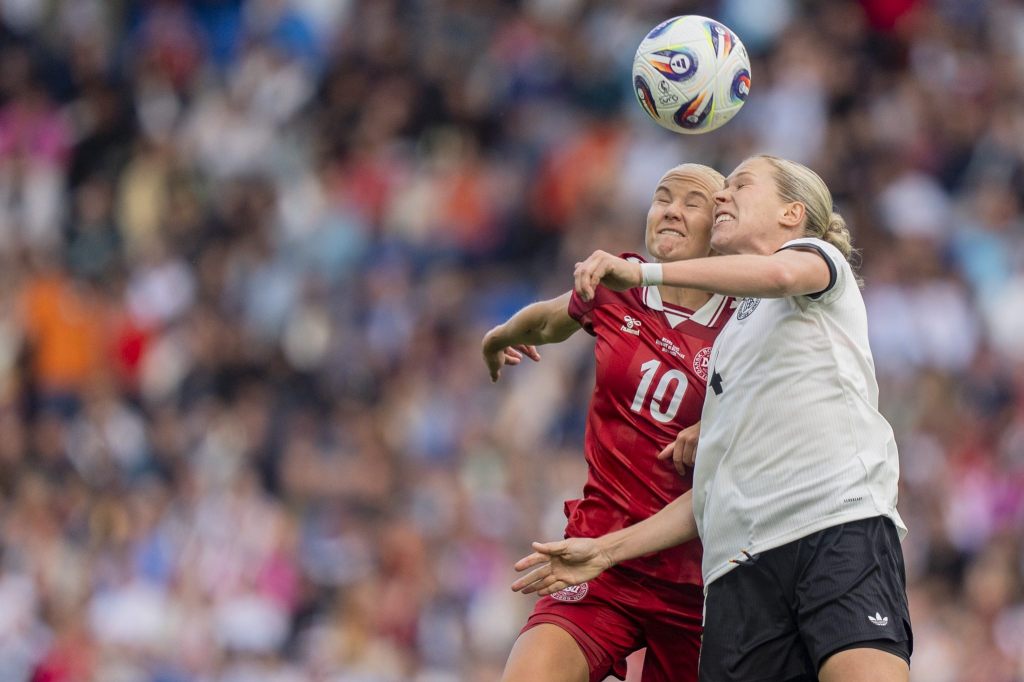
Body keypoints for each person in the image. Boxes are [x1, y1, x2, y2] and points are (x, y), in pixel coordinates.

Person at [512, 155, 913, 682]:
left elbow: (779, 272)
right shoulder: (730, 345)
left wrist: (641, 270)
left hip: (834, 528)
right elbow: (707, 492)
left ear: (792, 213)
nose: (725, 196)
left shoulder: (816, 261)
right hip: (741, 564)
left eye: (739, 186)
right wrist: (605, 551)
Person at [483, 163, 734, 682]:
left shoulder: (747, 324)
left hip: (700, 584)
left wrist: (721, 428)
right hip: (596, 561)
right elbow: (550, 321)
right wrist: (501, 334)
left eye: (692, 202)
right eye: (662, 197)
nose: (670, 209)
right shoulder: (620, 284)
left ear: (722, 228)